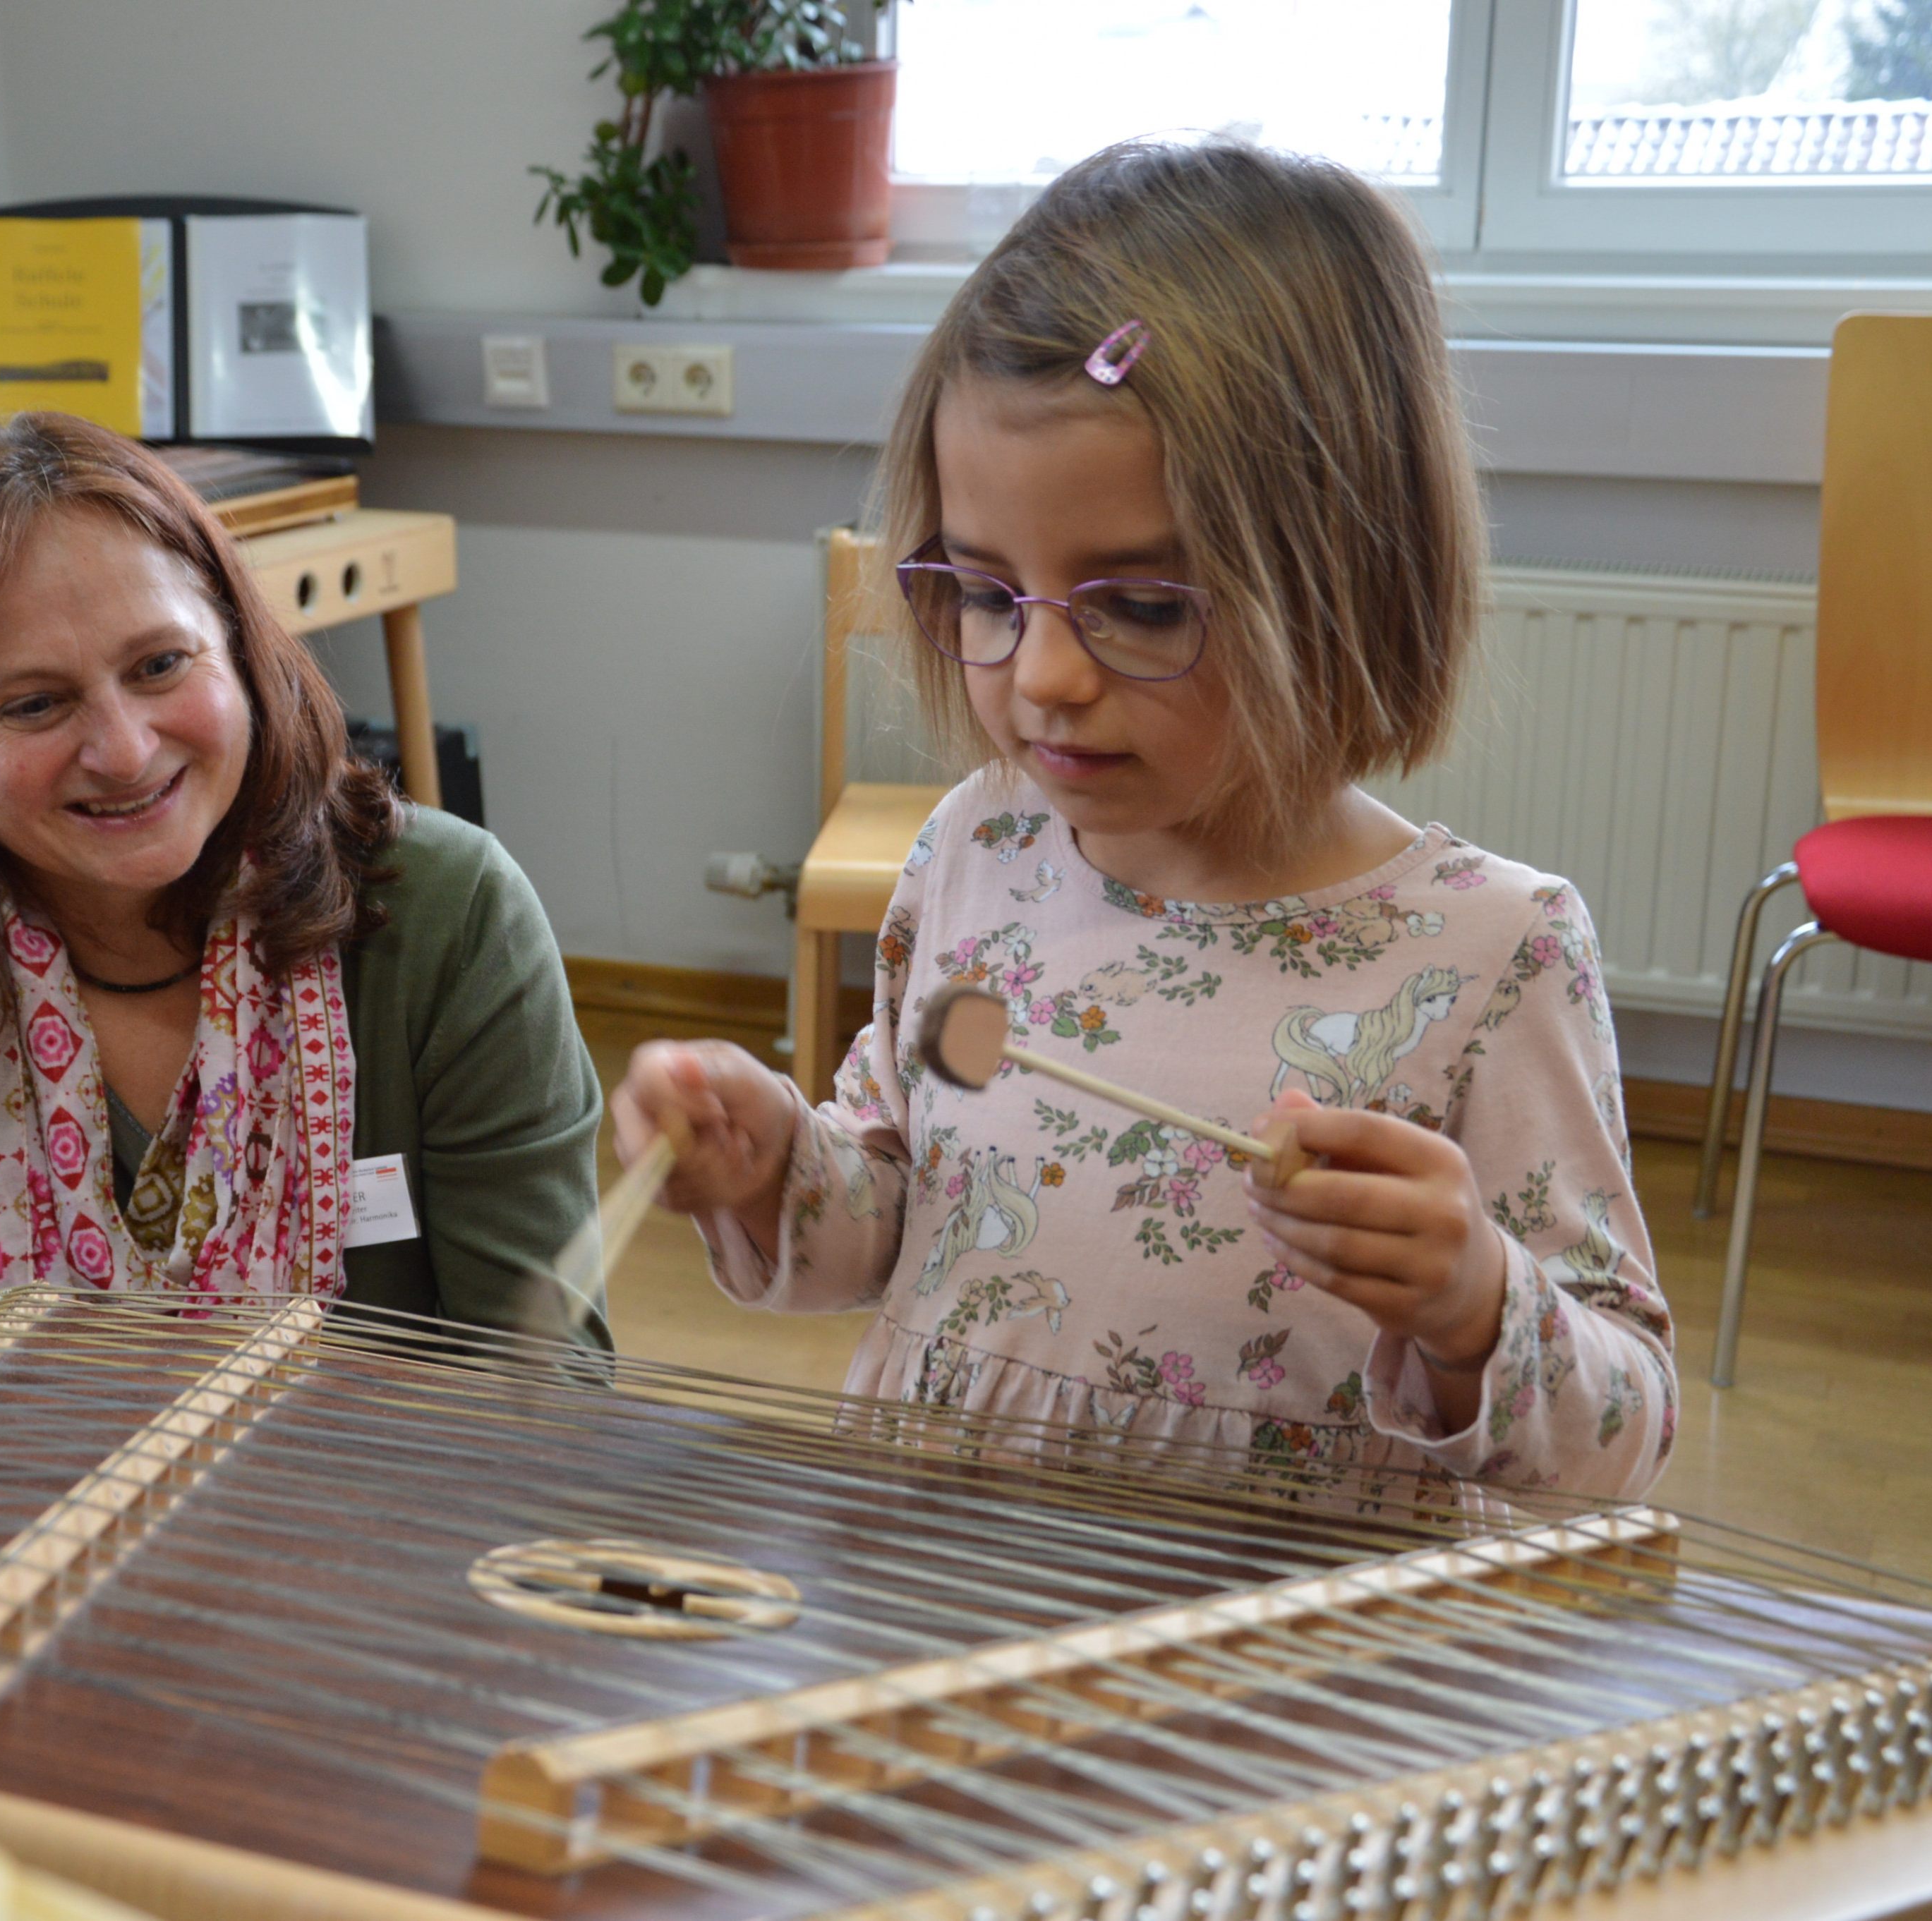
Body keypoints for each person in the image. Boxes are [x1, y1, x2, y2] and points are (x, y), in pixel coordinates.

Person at [612, 143, 1674, 1501]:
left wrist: (1474, 1301)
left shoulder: (1488, 954)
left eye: (1145, 606)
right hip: (928, 1606)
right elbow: (891, 1225)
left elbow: (1624, 1432)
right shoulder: (973, 855)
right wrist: (772, 1167)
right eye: (989, 596)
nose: (1042, 678)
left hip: (1256, 1678)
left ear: (1349, 578)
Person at [0, 413, 605, 1409]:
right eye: (33, 704)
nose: (125, 751)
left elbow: (546, 1392)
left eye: (158, 666)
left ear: (238, 649)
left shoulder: (450, 917)